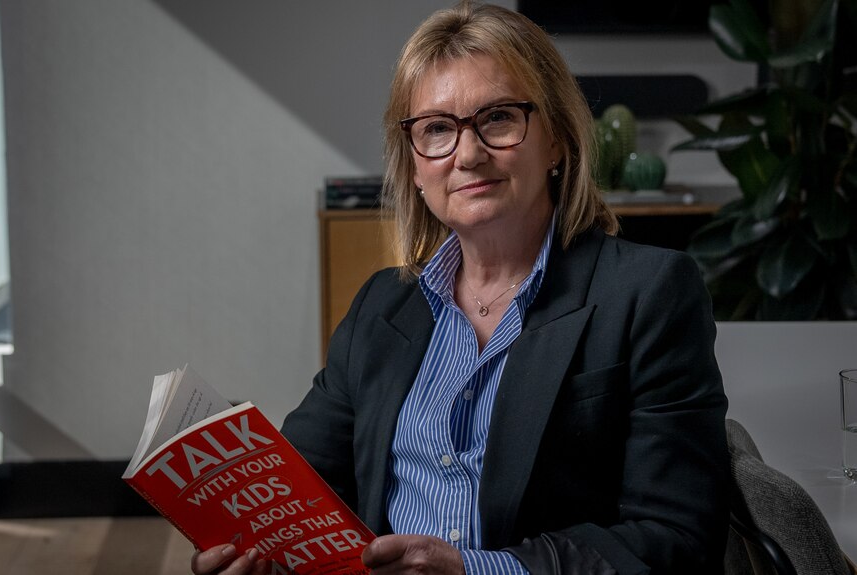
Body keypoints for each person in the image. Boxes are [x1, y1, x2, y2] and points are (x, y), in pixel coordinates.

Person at [191, 2, 730, 574]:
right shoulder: (381, 306)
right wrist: (250, 549)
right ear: (417, 169)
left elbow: (677, 538)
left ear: (557, 141)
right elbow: (303, 486)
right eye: (437, 130)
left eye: (498, 118)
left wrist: (476, 571)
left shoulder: (649, 293)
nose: (468, 155)